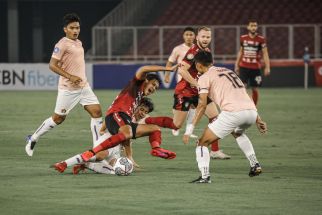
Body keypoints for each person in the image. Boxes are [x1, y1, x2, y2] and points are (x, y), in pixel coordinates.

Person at [51, 64, 179, 173]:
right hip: (116, 116)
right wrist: (167, 69)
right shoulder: (137, 84)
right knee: (102, 154)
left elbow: (127, 137)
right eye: (153, 85)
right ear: (146, 80)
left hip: (118, 132)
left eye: (156, 88)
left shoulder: (137, 100)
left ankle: (156, 149)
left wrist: (130, 157)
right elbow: (144, 68)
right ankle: (78, 159)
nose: (154, 89)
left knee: (154, 129)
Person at [183, 51, 268, 183]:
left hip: (233, 113)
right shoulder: (229, 71)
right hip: (251, 112)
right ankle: (255, 164)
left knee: (202, 143)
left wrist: (191, 127)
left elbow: (202, 105)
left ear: (198, 65)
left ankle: (205, 177)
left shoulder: (204, 77)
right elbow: (245, 94)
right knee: (237, 132)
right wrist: (258, 119)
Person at [25, 13, 102, 157]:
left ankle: (98, 149)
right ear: (65, 29)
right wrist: (70, 76)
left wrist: (79, 78)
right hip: (68, 89)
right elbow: (52, 65)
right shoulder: (61, 44)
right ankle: (33, 138)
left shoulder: (78, 43)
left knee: (97, 112)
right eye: (72, 28)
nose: (75, 31)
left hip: (83, 87)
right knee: (58, 119)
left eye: (77, 28)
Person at [174, 26, 230, 159]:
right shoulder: (193, 52)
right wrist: (196, 84)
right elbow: (182, 71)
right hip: (186, 91)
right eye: (203, 36)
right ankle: (146, 123)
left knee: (215, 117)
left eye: (208, 37)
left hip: (200, 91)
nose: (205, 39)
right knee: (176, 124)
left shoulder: (207, 51)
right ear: (197, 37)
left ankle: (215, 151)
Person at [72, 97, 155, 175]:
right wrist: (102, 129)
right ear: (136, 106)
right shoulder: (127, 113)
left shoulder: (144, 120)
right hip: (110, 141)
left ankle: (86, 164)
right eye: (141, 109)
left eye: (145, 112)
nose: (142, 113)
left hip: (118, 148)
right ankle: (78, 160)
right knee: (101, 156)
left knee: (116, 169)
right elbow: (110, 116)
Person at [164, 27, 198, 138]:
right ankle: (176, 127)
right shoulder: (178, 49)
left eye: (191, 34)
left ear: (195, 36)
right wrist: (167, 75)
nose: (189, 36)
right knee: (179, 106)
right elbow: (170, 62)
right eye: (187, 34)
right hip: (182, 81)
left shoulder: (198, 49)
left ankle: (189, 131)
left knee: (193, 106)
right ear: (183, 36)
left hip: (194, 81)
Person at [235, 20, 270, 106]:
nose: (253, 27)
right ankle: (244, 105)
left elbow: (265, 53)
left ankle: (254, 107)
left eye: (255, 26)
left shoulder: (261, 39)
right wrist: (236, 64)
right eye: (251, 26)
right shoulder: (243, 38)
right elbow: (240, 52)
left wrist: (267, 67)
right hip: (243, 66)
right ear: (248, 27)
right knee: (242, 87)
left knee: (254, 88)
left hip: (255, 67)